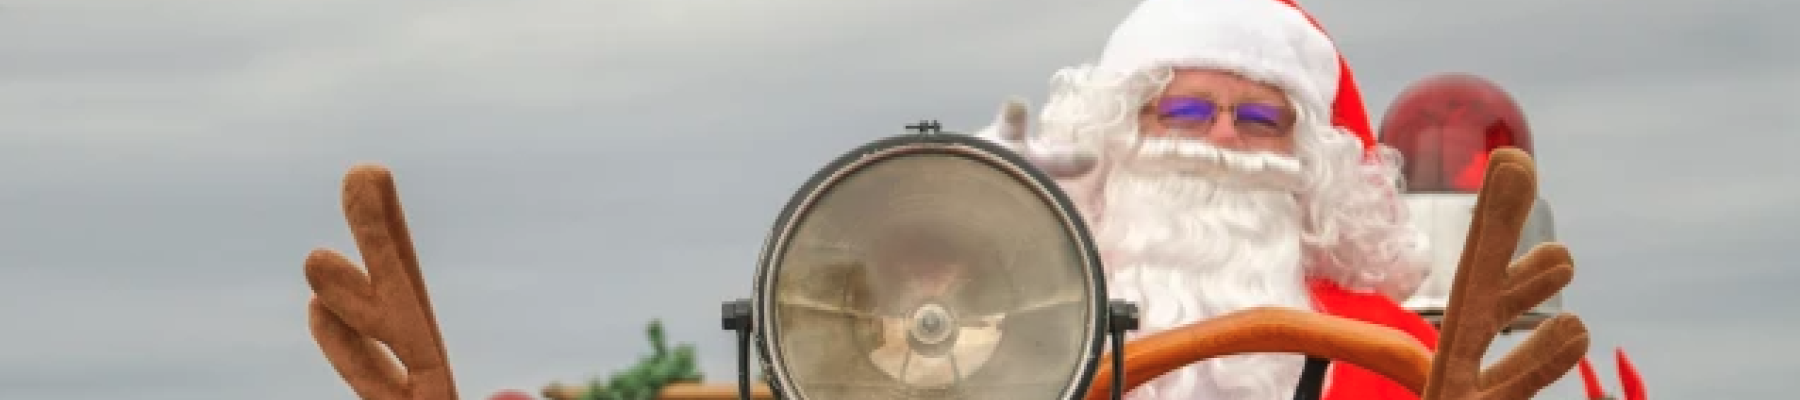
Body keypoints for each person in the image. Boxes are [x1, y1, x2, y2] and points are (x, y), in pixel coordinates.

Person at [972, 0, 1440, 399]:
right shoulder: (1016, 333)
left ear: (1310, 158)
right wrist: (975, 208)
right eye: (1185, 112)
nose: (1223, 137)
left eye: (1259, 119)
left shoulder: (1397, 353)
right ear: (1118, 132)